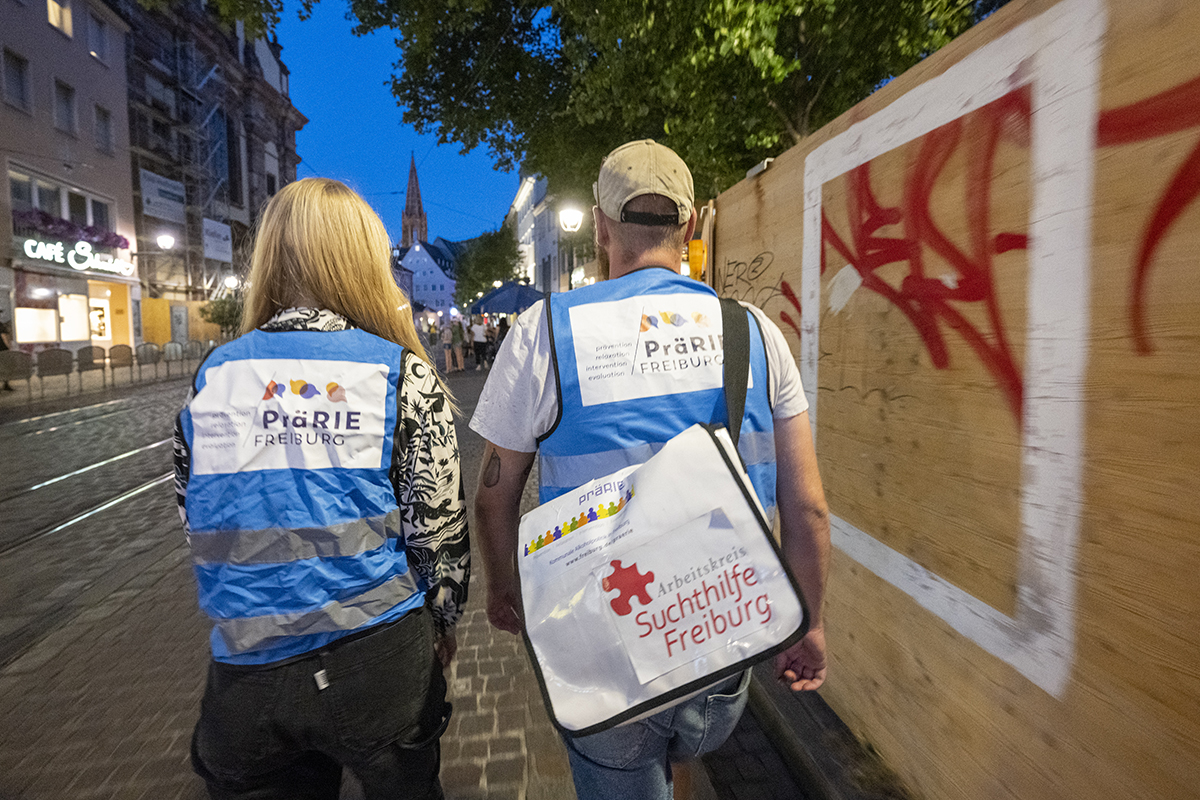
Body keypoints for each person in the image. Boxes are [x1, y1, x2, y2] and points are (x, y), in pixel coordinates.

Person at [470, 140, 830, 800]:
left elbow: (494, 498)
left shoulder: (543, 332)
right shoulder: (754, 332)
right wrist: (805, 623)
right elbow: (808, 508)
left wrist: (505, 591)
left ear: (602, 228)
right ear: (690, 226)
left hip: (604, 651)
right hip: (719, 636)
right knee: (685, 752)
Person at [174, 178, 469, 800]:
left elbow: (195, 515)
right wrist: (440, 623)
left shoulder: (214, 377)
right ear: (364, 261)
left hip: (249, 669)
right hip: (378, 658)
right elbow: (437, 533)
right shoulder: (399, 373)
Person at [0, 313, 12, 391]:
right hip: (2, 348)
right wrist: (8, 347)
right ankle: (6, 384)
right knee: (6, 366)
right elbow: (4, 336)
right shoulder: (0, 325)